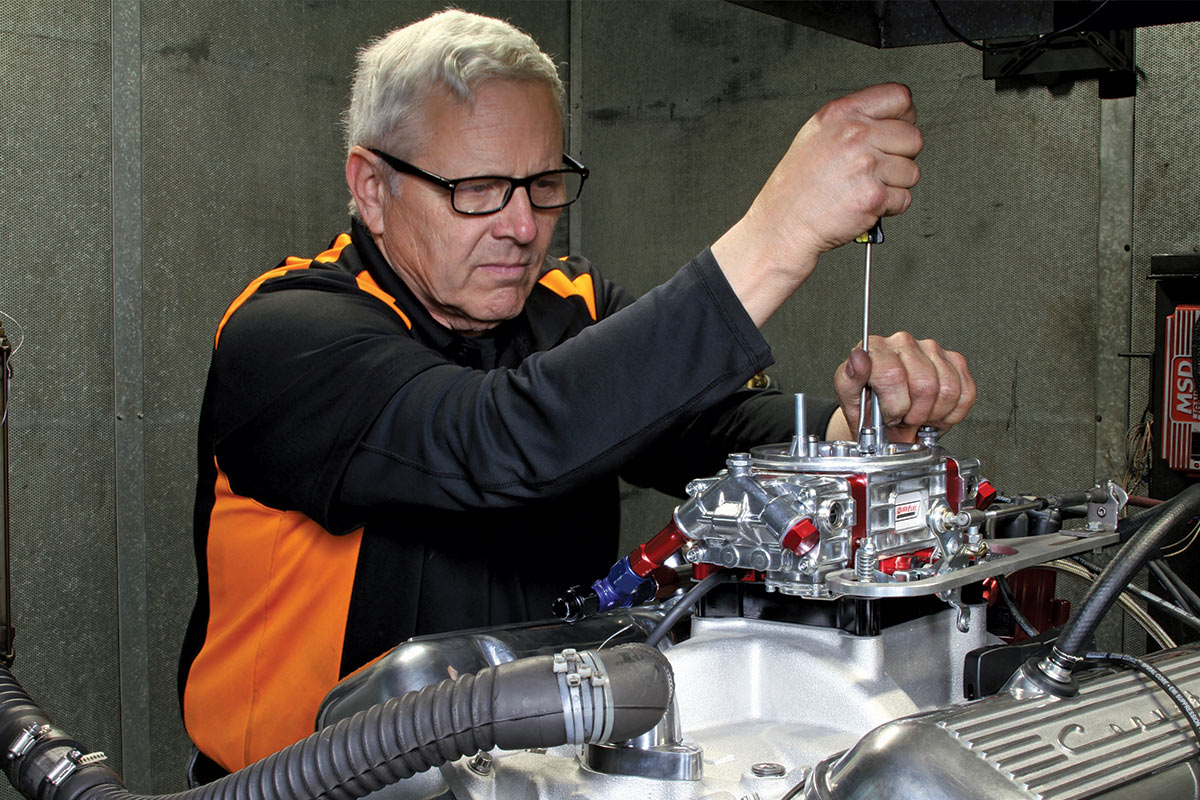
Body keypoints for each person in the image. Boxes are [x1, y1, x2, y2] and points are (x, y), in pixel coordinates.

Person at [178, 8, 975, 774]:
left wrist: (849, 428)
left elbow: (707, 426)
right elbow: (497, 443)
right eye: (479, 188)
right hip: (316, 782)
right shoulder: (284, 335)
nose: (522, 226)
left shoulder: (572, 303)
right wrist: (780, 234)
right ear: (373, 188)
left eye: (543, 184)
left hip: (538, 774)